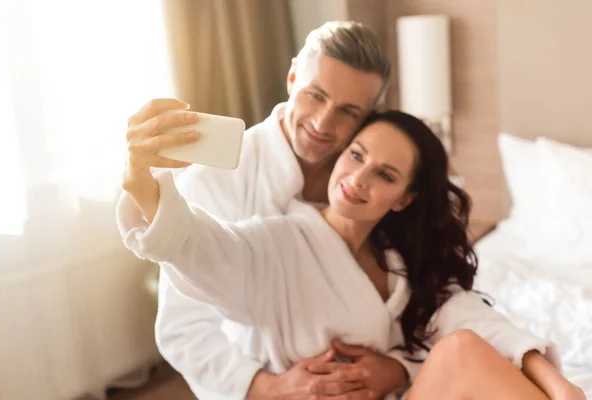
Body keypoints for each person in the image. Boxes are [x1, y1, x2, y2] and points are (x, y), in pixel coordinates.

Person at [118, 109, 585, 400]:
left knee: (464, 349)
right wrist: (144, 183)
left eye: (385, 174)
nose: (359, 178)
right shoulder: (277, 243)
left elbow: (468, 318)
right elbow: (204, 250)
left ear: (404, 197)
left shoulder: (402, 264)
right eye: (357, 155)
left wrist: (554, 381)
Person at [125, 21, 411, 400]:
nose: (323, 123)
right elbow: (183, 329)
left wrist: (396, 369)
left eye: (348, 111)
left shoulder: (371, 182)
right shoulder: (214, 180)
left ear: (369, 115)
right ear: (293, 77)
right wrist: (268, 388)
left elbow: (424, 293)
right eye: (315, 95)